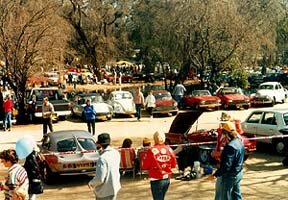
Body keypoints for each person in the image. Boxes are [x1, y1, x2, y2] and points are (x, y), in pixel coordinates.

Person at [209, 122, 245, 200]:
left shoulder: (230, 146)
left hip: (230, 176)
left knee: (225, 197)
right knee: (236, 196)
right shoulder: (239, 142)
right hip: (239, 173)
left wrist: (215, 174)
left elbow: (226, 166)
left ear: (226, 134)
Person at [142, 131, 177, 200]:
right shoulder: (169, 149)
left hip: (156, 178)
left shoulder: (151, 150)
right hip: (167, 179)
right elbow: (173, 164)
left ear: (155, 139)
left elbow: (145, 166)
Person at [88, 133, 121, 200]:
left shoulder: (102, 158)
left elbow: (100, 178)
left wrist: (91, 183)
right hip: (114, 187)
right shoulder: (116, 153)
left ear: (99, 144)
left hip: (104, 191)